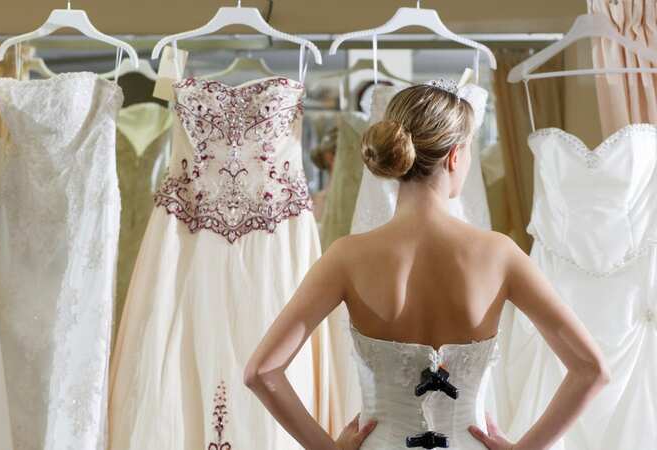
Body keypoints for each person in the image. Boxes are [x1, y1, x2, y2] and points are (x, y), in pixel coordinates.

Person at [244, 83, 609, 450]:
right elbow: (591, 370)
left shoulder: (346, 257)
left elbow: (261, 373)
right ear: (454, 156)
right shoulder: (499, 254)